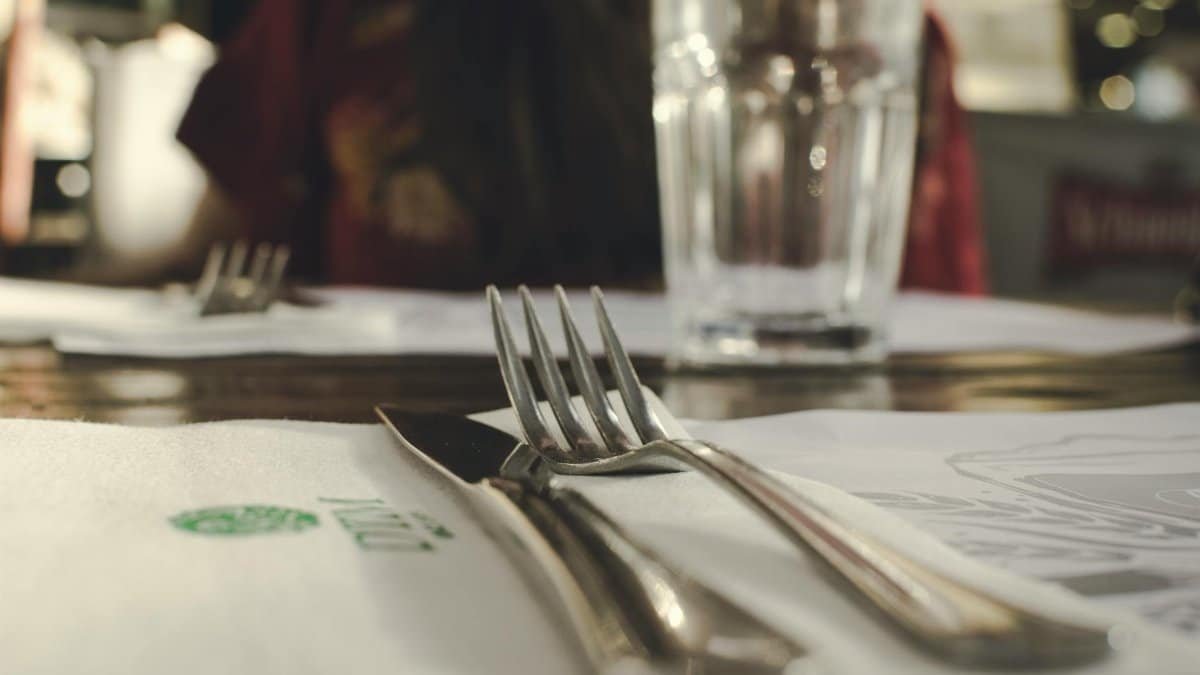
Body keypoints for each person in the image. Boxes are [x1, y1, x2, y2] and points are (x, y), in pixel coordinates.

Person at [176, 0, 986, 293]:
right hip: (372, 456)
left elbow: (927, 341)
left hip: (768, 468)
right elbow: (218, 272)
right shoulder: (328, 16)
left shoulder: (852, 41)